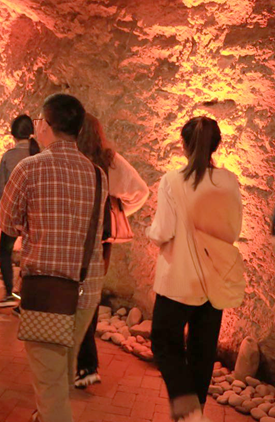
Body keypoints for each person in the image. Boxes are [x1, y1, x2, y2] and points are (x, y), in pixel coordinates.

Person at [0, 94, 107, 422]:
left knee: (50, 383)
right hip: (86, 289)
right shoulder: (97, 174)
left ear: (46, 126)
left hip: (47, 291)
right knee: (62, 371)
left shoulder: (29, 168)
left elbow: (7, 223)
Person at [146, 116, 242, 422]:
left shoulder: (172, 180)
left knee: (164, 343)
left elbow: (163, 231)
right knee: (202, 354)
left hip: (178, 278)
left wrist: (150, 233)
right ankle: (193, 413)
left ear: (184, 144)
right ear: (217, 145)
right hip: (214, 279)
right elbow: (234, 229)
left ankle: (188, 412)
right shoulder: (229, 181)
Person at [74, 113, 150, 388]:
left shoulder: (69, 158)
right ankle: (85, 364)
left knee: (70, 295)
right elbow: (140, 191)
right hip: (99, 239)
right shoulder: (109, 160)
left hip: (71, 234)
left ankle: (82, 362)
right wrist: (116, 210)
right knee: (89, 294)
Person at [0, 114, 41, 308]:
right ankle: (26, 296)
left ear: (13, 133)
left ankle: (9, 293)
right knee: (31, 256)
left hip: (13, 215)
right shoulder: (39, 154)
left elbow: (1, 189)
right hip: (35, 215)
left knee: (5, 252)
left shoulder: (9, 156)